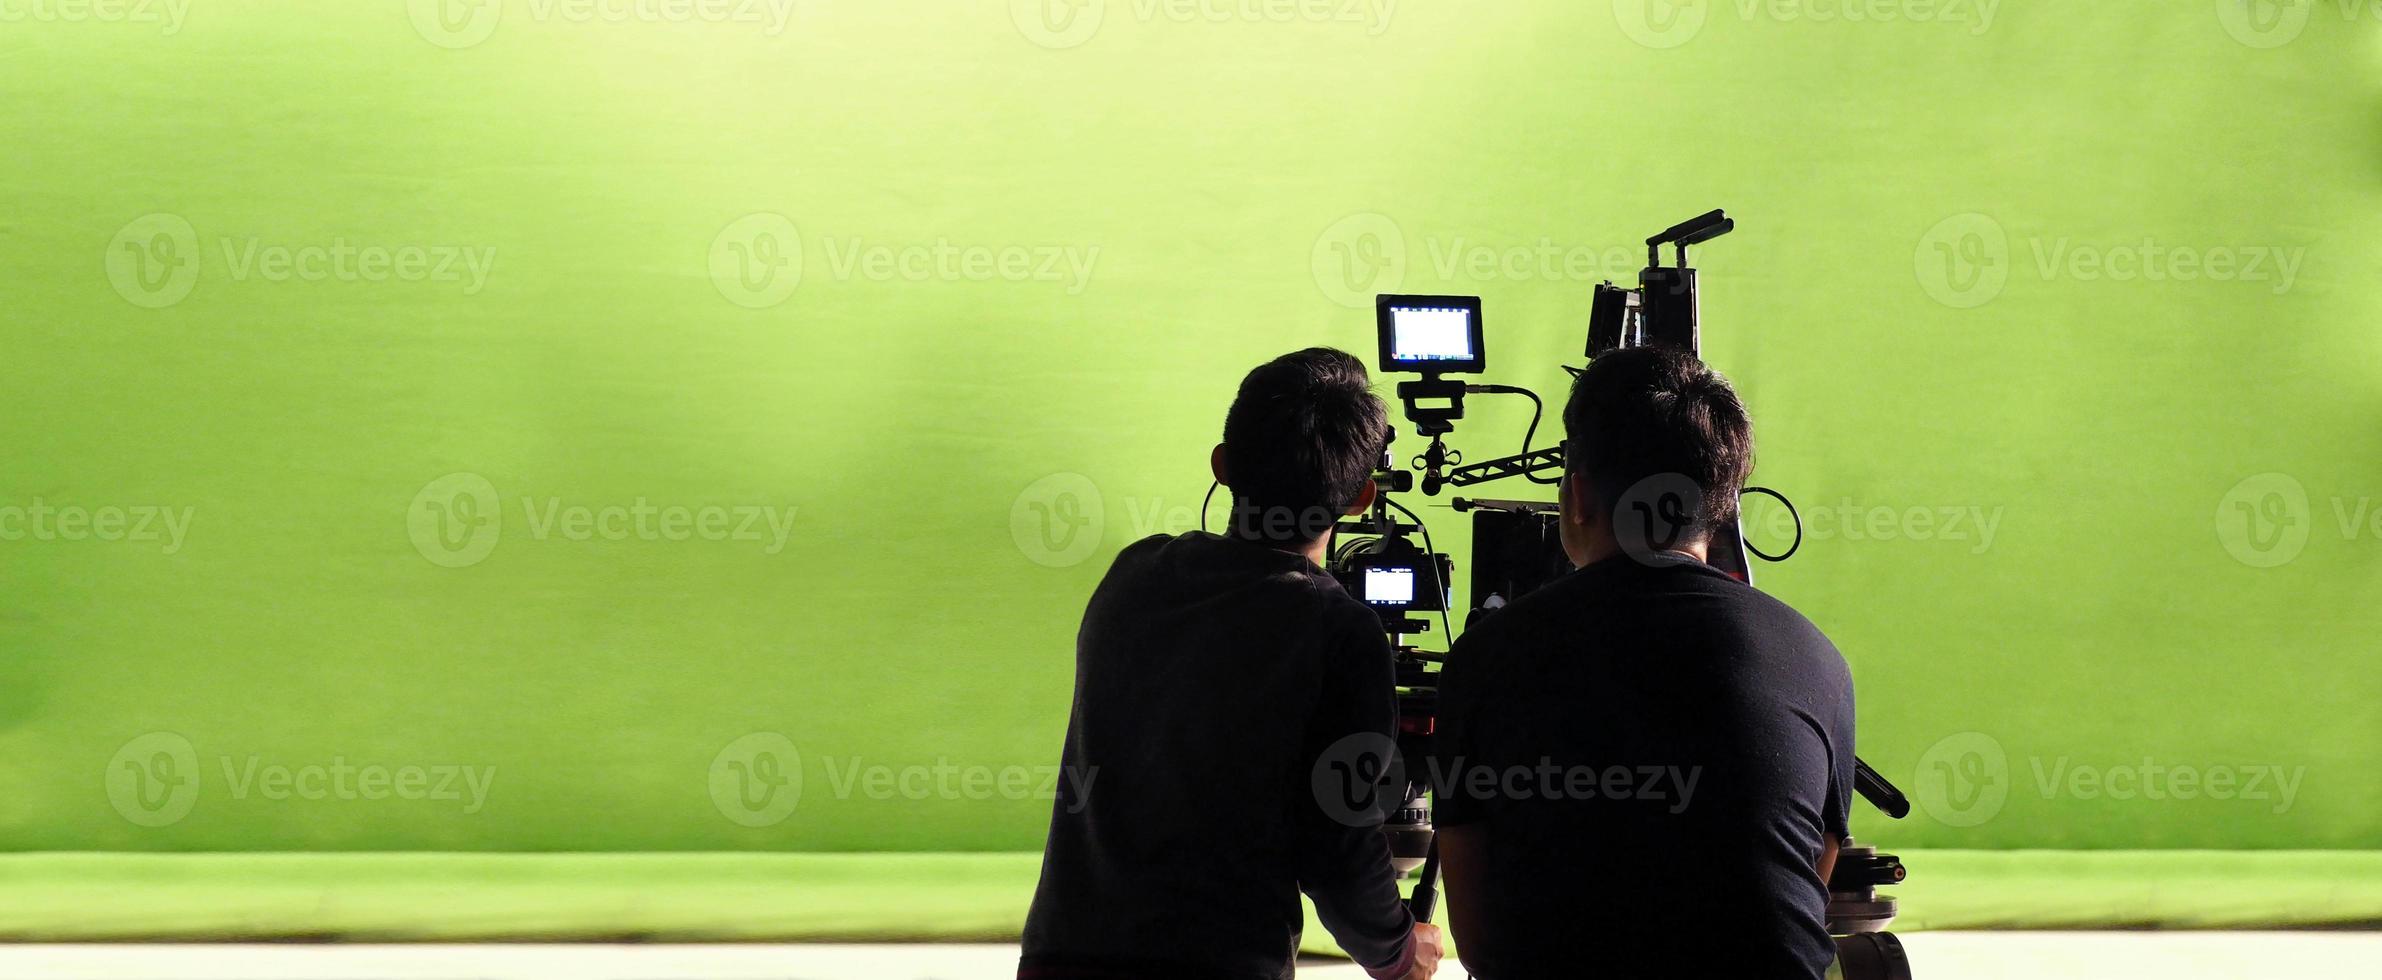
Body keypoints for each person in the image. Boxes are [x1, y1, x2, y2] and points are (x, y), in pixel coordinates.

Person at [1430, 347, 1856, 979]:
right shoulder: (1816, 658)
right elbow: (1810, 869)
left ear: (1576, 497)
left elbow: (1479, 937)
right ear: (1726, 506)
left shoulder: (1486, 657)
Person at [1020, 348, 1443, 980]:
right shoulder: (1338, 630)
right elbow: (1340, 846)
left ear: (1222, 465)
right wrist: (1398, 949)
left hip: (1060, 957)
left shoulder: (1134, 573)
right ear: (1360, 497)